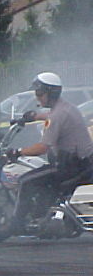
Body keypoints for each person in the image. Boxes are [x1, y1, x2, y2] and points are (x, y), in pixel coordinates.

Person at [7, 71, 93, 228]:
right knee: (39, 174)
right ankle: (41, 214)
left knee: (25, 181)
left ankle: (16, 224)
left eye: (40, 93)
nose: (37, 97)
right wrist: (34, 116)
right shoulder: (65, 108)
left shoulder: (58, 115)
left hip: (71, 167)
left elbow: (42, 147)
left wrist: (17, 152)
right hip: (82, 163)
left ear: (51, 93)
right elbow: (51, 115)